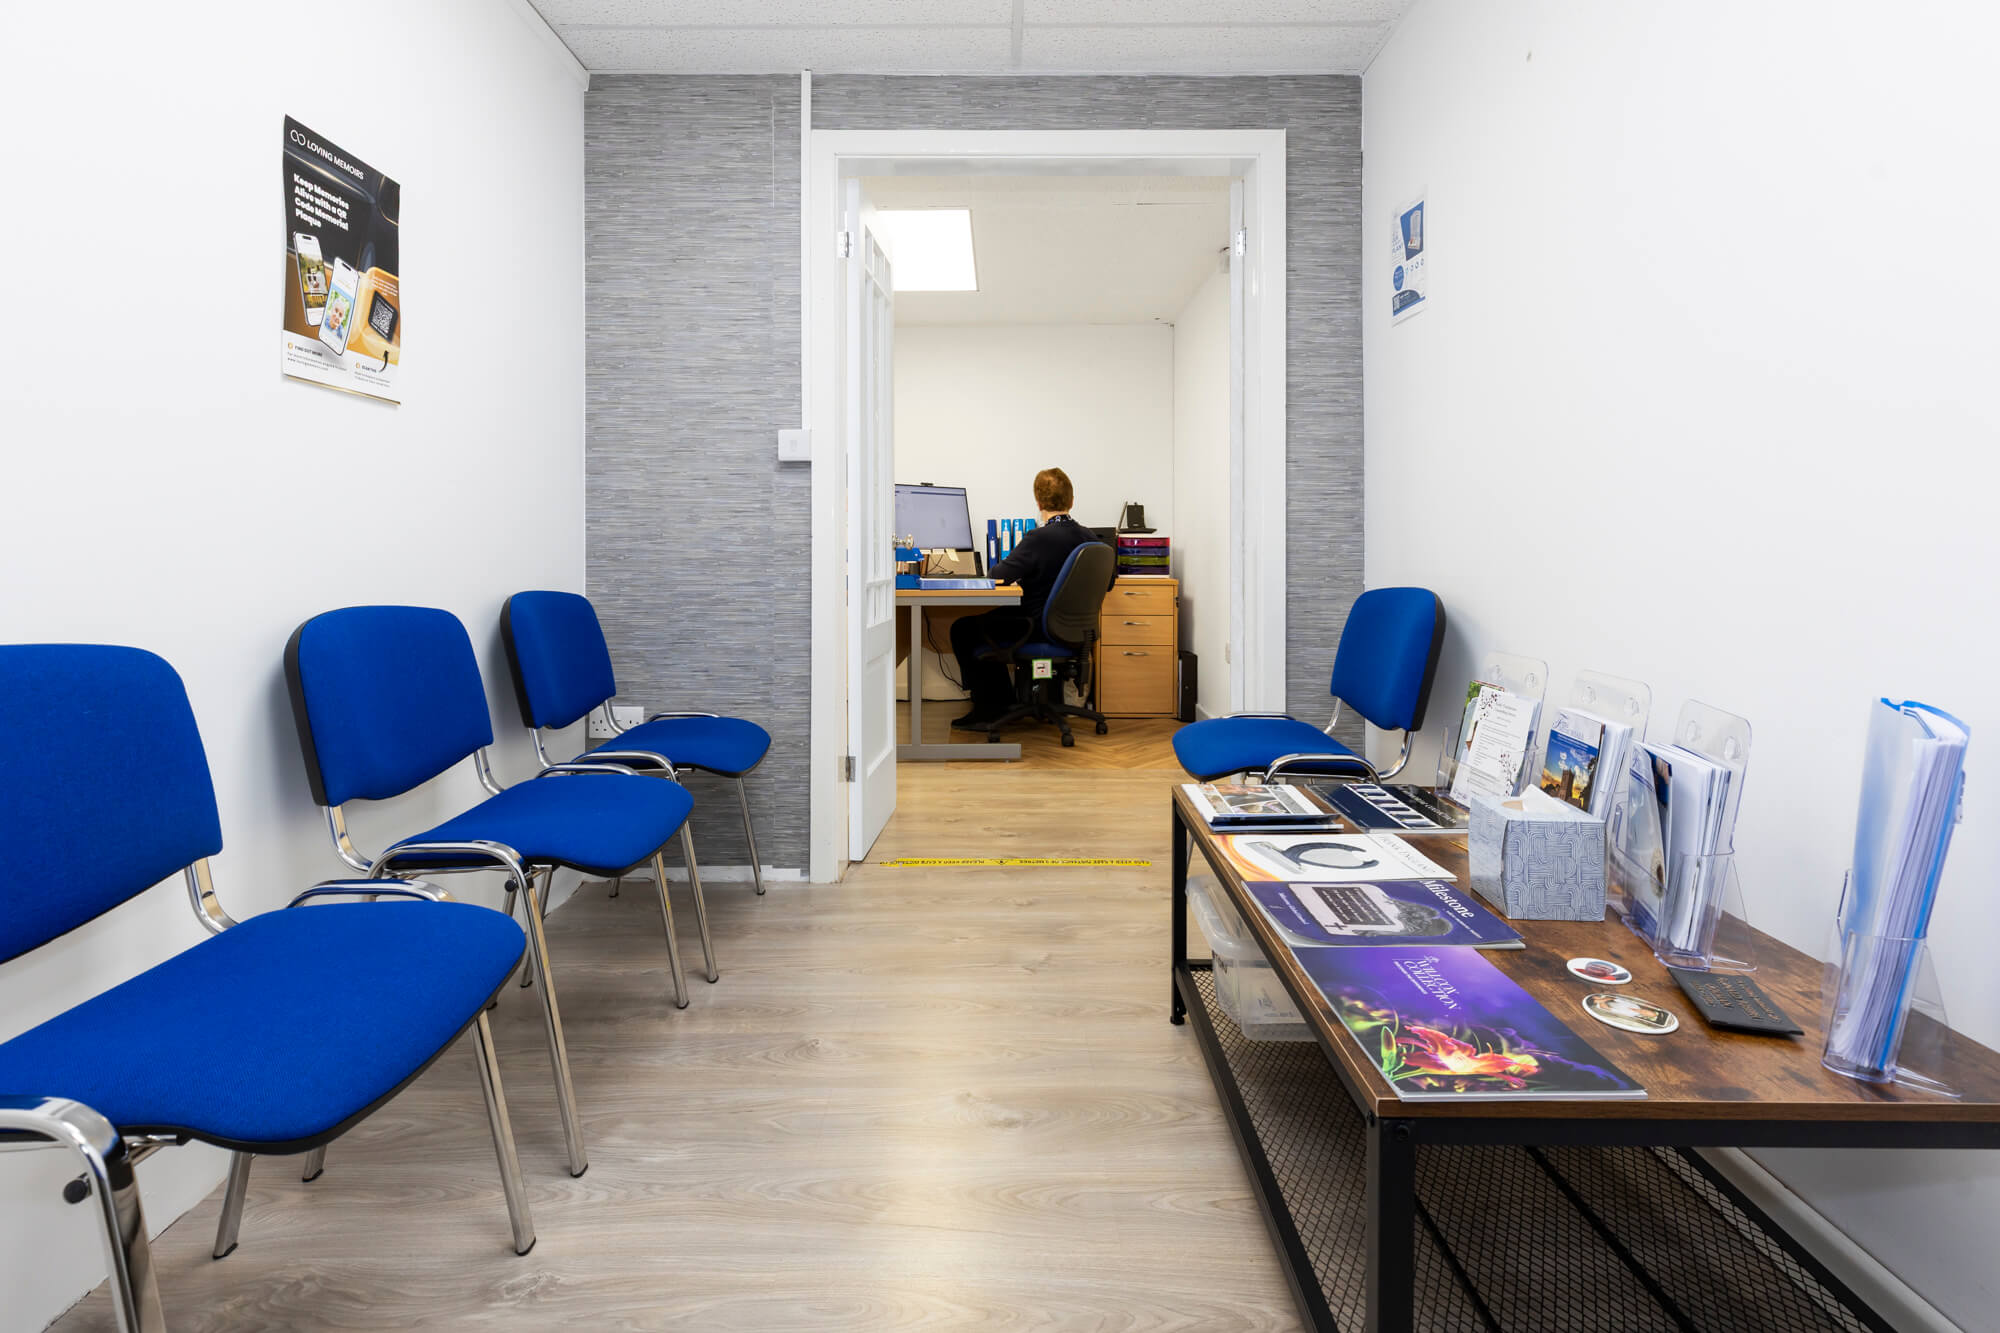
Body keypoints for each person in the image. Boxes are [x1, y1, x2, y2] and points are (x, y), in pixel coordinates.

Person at [949, 467, 1102, 728]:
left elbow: (998, 575)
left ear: (1039, 502)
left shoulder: (1038, 538)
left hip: (1035, 628)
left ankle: (991, 709)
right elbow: (1107, 583)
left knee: (963, 628)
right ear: (1072, 500)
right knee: (978, 627)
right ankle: (1002, 702)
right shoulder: (1092, 539)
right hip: (1078, 633)